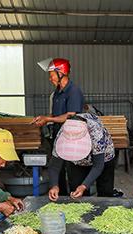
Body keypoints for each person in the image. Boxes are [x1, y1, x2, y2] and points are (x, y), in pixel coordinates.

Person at [32, 58, 84, 195]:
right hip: (58, 137)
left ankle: (77, 200)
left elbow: (70, 115)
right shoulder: (56, 93)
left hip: (73, 140)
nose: (50, 79)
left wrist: (48, 119)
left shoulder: (73, 91)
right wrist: (44, 119)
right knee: (58, 171)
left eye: (51, 75)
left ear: (61, 73)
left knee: (74, 172)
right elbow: (55, 114)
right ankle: (60, 198)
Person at [47, 114, 120, 201]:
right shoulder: (62, 134)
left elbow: (98, 166)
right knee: (76, 193)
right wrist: (54, 186)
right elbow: (54, 166)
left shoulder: (96, 133)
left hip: (104, 158)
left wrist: (84, 186)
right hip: (77, 163)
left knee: (105, 193)